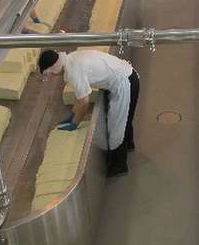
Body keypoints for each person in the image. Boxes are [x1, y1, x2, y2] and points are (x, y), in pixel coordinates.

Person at [39, 49, 140, 177]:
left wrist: (75, 123)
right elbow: (79, 95)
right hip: (129, 75)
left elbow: (84, 102)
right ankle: (129, 145)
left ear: (54, 67)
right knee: (125, 118)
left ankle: (119, 166)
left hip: (125, 83)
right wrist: (73, 114)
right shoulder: (72, 58)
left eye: (50, 73)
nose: (52, 76)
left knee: (116, 127)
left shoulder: (73, 71)